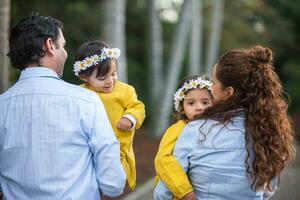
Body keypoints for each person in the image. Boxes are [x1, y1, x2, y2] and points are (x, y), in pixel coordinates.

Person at [0, 13, 126, 199]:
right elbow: (113, 184)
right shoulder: (86, 101)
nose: (66, 53)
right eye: (63, 46)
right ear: (50, 46)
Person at [154, 45, 295, 199]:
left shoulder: (194, 130)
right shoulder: (267, 132)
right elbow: (268, 189)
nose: (210, 87)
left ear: (228, 92)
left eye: (214, 82)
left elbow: (164, 190)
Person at [73, 40, 146, 190]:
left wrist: (130, 117)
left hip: (117, 148)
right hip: (88, 149)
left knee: (112, 183)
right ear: (84, 77)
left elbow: (138, 107)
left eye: (113, 74)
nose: (110, 81)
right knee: (89, 182)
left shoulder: (124, 90)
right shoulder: (79, 93)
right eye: (102, 78)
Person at [154, 75, 213, 200]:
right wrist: (185, 191)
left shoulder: (216, 128)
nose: (199, 107)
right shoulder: (178, 129)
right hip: (180, 193)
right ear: (182, 108)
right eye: (191, 103)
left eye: (205, 102)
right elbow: (162, 159)